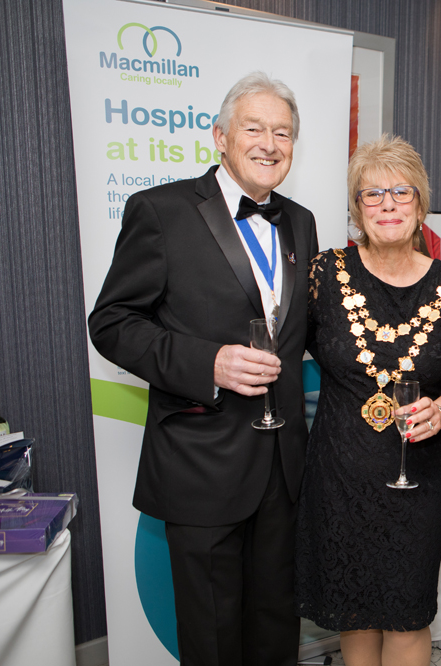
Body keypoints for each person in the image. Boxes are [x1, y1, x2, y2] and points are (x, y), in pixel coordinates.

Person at [88, 73, 317, 665]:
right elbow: (111, 322)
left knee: (275, 630)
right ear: (219, 136)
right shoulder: (161, 211)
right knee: (211, 638)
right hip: (201, 462)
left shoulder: (302, 221)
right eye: (254, 128)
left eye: (283, 133)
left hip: (283, 466)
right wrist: (207, 362)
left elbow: (307, 328)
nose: (270, 143)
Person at [294, 135, 441, 666]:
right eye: (371, 195)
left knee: (406, 612)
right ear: (355, 209)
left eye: (401, 192)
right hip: (339, 477)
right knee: (356, 613)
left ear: (420, 205)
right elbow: (284, 351)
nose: (388, 205)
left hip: (417, 479)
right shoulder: (324, 275)